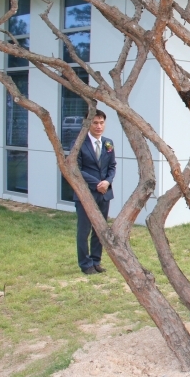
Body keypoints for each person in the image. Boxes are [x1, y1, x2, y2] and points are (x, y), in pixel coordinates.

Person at [72, 110, 116, 275]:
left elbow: (112, 166)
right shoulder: (79, 143)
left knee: (100, 229)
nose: (98, 126)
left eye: (101, 123)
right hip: (86, 194)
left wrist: (107, 182)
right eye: (95, 123)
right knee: (84, 230)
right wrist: (96, 183)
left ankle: (96, 260)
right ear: (87, 124)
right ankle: (85, 264)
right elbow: (75, 168)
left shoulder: (108, 143)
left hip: (104, 193)